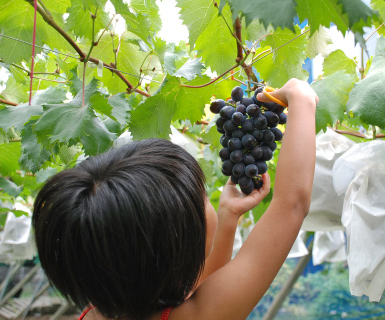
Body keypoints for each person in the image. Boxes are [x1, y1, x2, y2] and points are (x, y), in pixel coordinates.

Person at [32, 78, 319, 320]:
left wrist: (228, 216)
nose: (208, 200)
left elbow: (196, 289)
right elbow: (291, 205)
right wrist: (301, 97)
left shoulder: (102, 306)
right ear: (175, 245)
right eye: (202, 197)